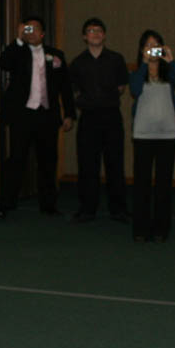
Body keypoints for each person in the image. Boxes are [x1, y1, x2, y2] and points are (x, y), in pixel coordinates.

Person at [0, 15, 75, 218]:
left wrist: (69, 114)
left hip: (47, 115)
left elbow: (65, 87)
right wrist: (18, 39)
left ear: (42, 33)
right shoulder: (18, 52)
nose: (30, 32)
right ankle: (6, 203)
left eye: (34, 29)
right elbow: (3, 63)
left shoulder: (56, 55)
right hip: (22, 115)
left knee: (48, 161)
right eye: (27, 29)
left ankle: (48, 205)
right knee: (16, 159)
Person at [128, 31, 175, 243]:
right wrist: (144, 65)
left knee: (164, 184)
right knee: (142, 184)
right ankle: (141, 228)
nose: (152, 49)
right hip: (143, 134)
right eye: (148, 45)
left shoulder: (169, 72)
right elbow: (135, 90)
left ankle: (161, 229)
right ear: (141, 50)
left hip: (167, 135)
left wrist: (172, 62)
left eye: (156, 45)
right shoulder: (137, 72)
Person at [68, 17, 129, 224]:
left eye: (99, 30)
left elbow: (121, 87)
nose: (95, 33)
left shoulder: (116, 59)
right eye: (91, 31)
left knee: (115, 163)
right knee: (87, 164)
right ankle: (87, 208)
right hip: (88, 118)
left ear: (104, 35)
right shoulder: (78, 62)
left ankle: (118, 209)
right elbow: (73, 90)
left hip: (111, 116)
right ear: (84, 37)